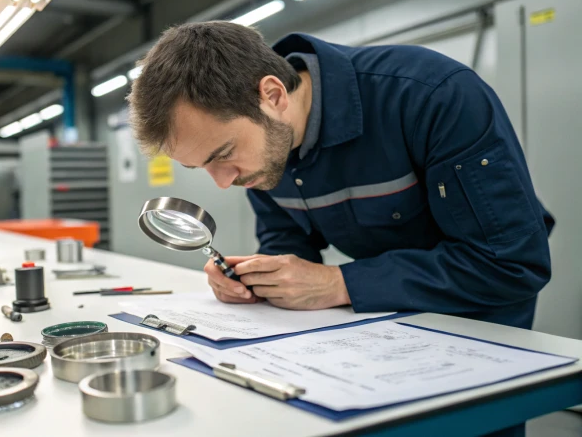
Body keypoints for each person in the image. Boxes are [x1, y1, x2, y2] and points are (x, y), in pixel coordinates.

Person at [128, 22, 552, 437]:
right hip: (376, 340)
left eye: (224, 154)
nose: (222, 181)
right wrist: (262, 278)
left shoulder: (429, 94)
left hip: (480, 331)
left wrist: (339, 283)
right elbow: (288, 240)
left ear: (273, 94)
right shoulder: (265, 151)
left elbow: (510, 263)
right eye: (200, 166)